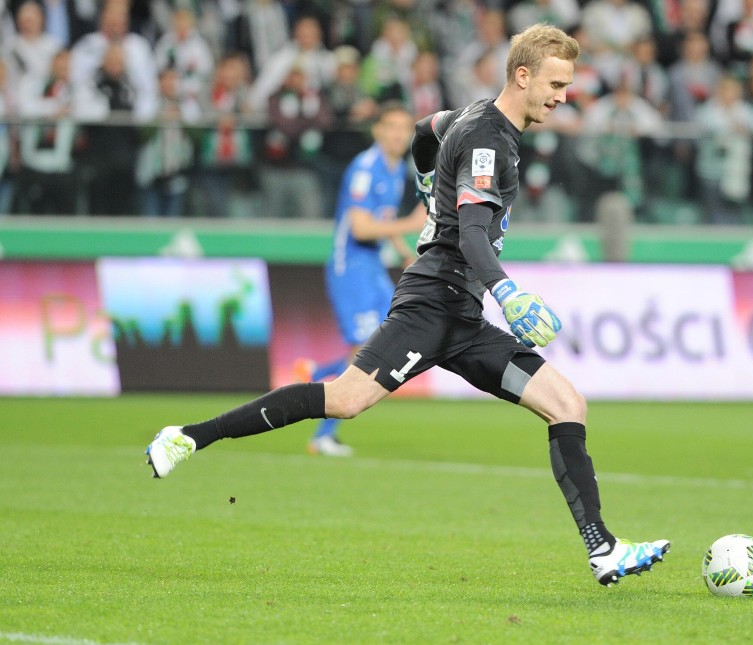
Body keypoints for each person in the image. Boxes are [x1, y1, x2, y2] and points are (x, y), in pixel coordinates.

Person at [145, 23, 670, 588]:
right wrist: (507, 289)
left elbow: (427, 129)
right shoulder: (491, 140)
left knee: (566, 402)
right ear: (523, 75)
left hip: (463, 318)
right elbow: (471, 232)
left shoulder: (469, 115)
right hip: (431, 303)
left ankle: (603, 549)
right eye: (556, 83)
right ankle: (189, 436)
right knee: (344, 400)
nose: (563, 96)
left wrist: (424, 178)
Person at [296, 101, 427, 457]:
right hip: (350, 266)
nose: (400, 134)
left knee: (384, 342)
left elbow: (382, 217)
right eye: (392, 127)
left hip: (372, 266)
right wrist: (411, 225)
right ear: (378, 131)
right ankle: (323, 433)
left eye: (405, 128)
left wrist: (403, 251)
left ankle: (314, 372)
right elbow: (361, 227)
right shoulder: (365, 169)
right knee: (365, 351)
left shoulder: (396, 167)